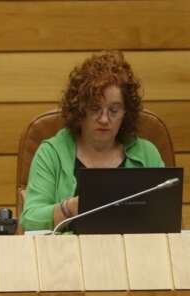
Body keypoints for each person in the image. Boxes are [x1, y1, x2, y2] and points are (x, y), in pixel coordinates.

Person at [21, 51, 165, 232]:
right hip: (67, 256)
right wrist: (71, 208)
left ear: (125, 113)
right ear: (80, 109)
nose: (104, 119)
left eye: (114, 110)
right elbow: (30, 220)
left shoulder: (147, 153)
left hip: (134, 255)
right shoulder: (51, 152)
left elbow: (166, 217)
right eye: (95, 108)